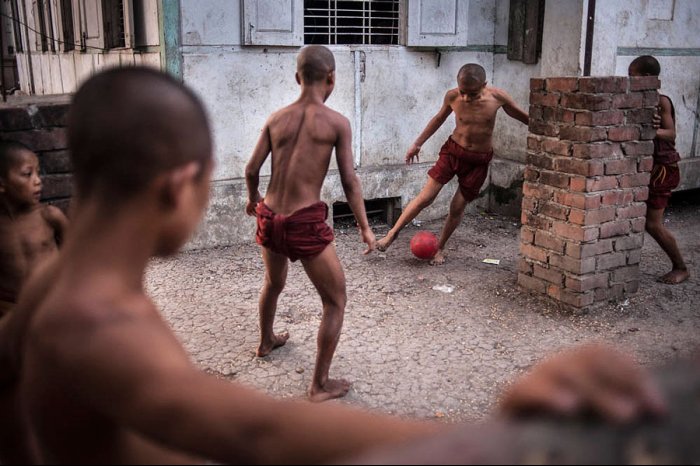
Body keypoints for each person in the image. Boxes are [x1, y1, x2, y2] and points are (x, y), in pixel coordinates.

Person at [0, 67, 665, 465]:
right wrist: (497, 439)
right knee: (329, 299)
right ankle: (318, 375)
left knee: (281, 285)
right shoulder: (96, 324)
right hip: (308, 226)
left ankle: (278, 341)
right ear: (179, 187)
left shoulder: (53, 285)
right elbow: (256, 430)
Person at [245, 45, 376, 402]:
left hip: (270, 217)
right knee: (335, 301)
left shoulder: (276, 118)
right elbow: (350, 181)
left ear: (297, 77)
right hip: (304, 222)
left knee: (273, 283)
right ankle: (319, 385)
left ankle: (265, 342)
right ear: (331, 78)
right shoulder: (336, 123)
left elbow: (251, 170)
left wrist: (253, 200)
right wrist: (365, 227)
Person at [376, 64, 529, 265]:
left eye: (472, 93)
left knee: (457, 207)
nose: (466, 97)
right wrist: (417, 144)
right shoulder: (452, 96)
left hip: (478, 161)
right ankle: (392, 233)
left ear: (484, 85)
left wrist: (546, 130)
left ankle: (440, 248)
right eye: (463, 91)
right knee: (426, 197)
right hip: (452, 152)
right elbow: (438, 118)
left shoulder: (498, 97)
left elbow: (520, 115)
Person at [628, 56, 689, 285]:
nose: (629, 80)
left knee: (653, 224)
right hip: (649, 167)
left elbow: (670, 134)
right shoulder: (638, 100)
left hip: (663, 169)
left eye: (632, 76)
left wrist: (652, 131)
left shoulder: (661, 101)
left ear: (646, 78)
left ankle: (681, 267)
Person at [0, 140, 68, 320]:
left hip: (53, 303)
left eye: (38, 173)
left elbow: (78, 256)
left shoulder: (49, 216)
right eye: (27, 174)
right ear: (1, 184)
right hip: (10, 309)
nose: (38, 181)